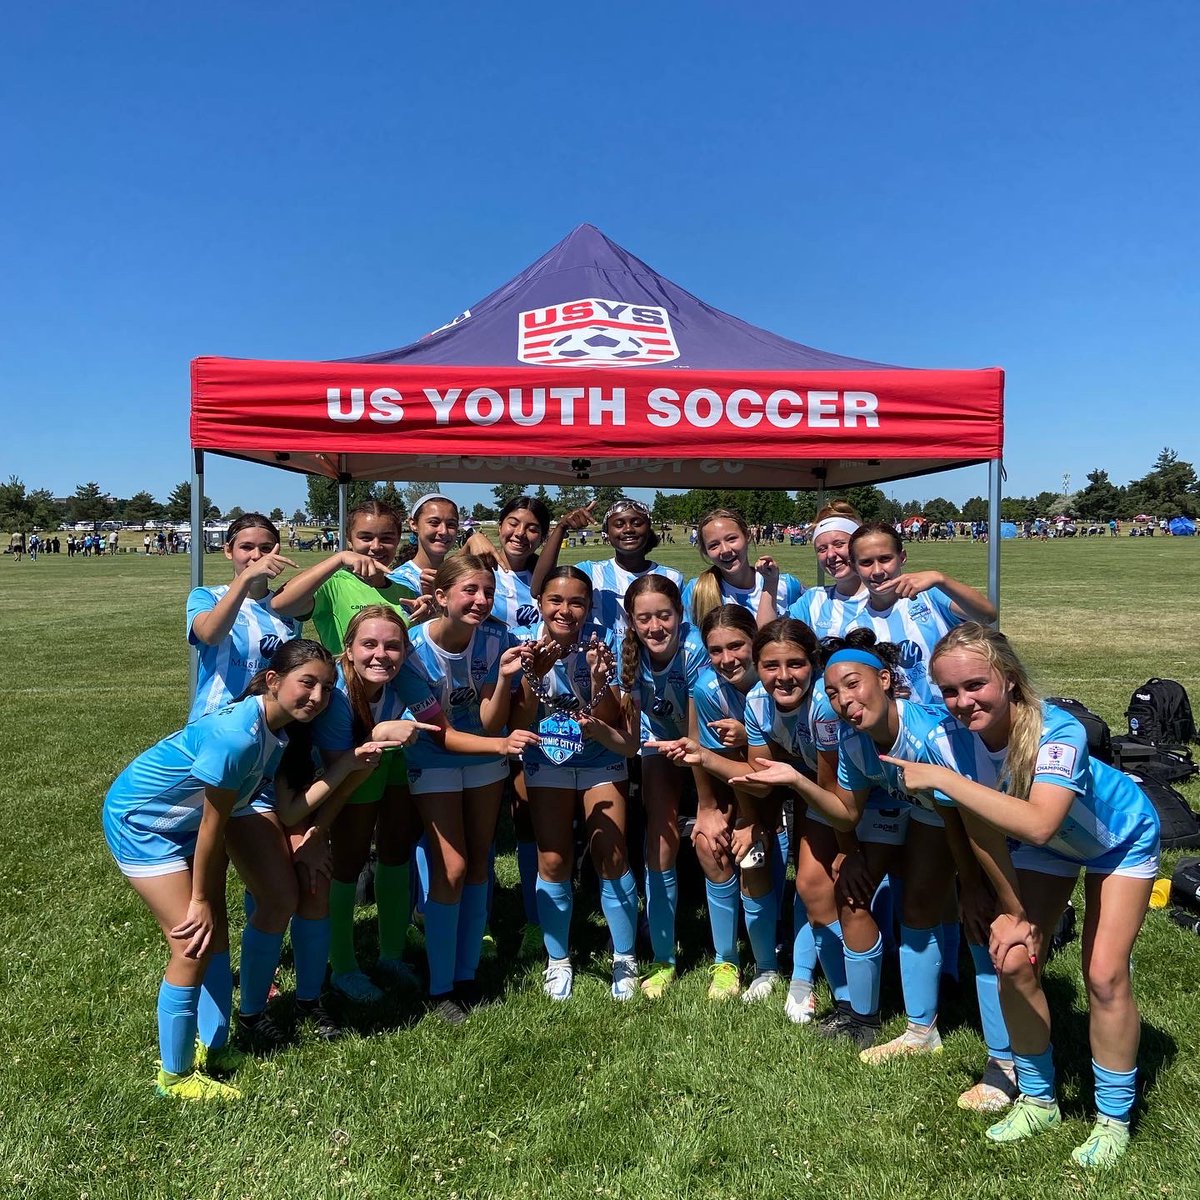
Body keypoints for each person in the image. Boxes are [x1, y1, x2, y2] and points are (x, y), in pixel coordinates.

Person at [884, 623, 1161, 1169]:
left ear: (1008, 680)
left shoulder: (1058, 730)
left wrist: (946, 780)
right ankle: (1038, 1098)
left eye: (975, 685)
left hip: (1118, 839)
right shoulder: (947, 739)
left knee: (1103, 972)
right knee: (1011, 956)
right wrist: (1013, 911)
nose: (962, 702)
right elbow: (985, 830)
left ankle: (1112, 1117)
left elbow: (1038, 823)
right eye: (949, 691)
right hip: (1049, 848)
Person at [732, 632, 1013, 1108]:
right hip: (917, 807)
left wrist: (970, 886)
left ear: (884, 680)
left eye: (854, 684)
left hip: (973, 816)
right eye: (835, 692)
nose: (844, 700)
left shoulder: (931, 736)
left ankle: (1006, 1058)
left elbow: (962, 819)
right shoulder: (853, 741)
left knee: (979, 919)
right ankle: (899, 1027)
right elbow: (845, 812)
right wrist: (801, 786)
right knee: (867, 893)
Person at [101, 640, 336, 1101]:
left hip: (178, 821)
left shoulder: (275, 732)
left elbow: (230, 815)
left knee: (217, 938)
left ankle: (215, 1046)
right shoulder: (239, 738)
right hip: (143, 822)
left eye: (327, 688)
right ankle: (175, 1076)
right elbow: (213, 827)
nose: (317, 697)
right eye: (306, 682)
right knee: (193, 941)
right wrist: (202, 899)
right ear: (273, 680)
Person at [403, 556, 536, 1022]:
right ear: (440, 597)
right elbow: (438, 732)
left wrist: (502, 679)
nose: (481, 601)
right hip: (432, 758)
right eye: (469, 591)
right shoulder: (413, 648)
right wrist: (499, 743)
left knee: (478, 861)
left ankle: (466, 974)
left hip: (482, 754)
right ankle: (439, 988)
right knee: (452, 867)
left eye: (487, 591)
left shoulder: (498, 639)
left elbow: (487, 720)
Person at [650, 605, 794, 1006]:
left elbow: (778, 761)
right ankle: (726, 960)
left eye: (736, 646)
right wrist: (710, 811)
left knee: (754, 856)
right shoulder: (708, 690)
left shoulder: (777, 683)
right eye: (715, 651)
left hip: (791, 786)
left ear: (755, 643)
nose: (727, 659)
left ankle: (767, 964)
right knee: (708, 844)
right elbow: (712, 762)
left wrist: (753, 822)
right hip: (743, 783)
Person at [512, 566, 640, 1001]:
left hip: (600, 757)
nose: (565, 610)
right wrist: (533, 677)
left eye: (577, 602)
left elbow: (615, 723)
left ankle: (624, 956)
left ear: (589, 607)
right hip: (546, 758)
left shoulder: (607, 647)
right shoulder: (523, 646)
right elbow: (515, 723)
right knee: (552, 859)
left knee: (612, 851)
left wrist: (601, 682)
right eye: (556, 601)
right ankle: (558, 959)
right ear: (540, 604)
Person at [311, 606, 449, 1003]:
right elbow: (341, 771)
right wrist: (378, 730)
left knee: (395, 851)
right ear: (348, 649)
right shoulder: (336, 693)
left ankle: (392, 954)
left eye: (392, 646)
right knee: (349, 861)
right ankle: (343, 967)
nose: (380, 655)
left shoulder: (403, 675)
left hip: (384, 757)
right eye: (368, 644)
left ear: (406, 651)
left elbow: (438, 724)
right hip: (343, 772)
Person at [461, 495, 555, 955]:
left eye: (533, 527)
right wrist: (468, 533)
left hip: (535, 704)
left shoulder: (548, 577)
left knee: (526, 811)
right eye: (512, 524)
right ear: (498, 526)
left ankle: (536, 917)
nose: (520, 533)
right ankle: (470, 916)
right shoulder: (480, 568)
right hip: (484, 702)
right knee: (478, 817)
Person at [617, 574, 709, 997]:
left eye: (665, 616)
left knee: (712, 830)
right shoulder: (628, 653)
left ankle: (731, 953)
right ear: (631, 621)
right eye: (645, 618)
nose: (656, 627)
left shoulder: (695, 649)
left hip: (705, 741)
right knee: (660, 832)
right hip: (659, 743)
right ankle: (662, 953)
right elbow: (634, 735)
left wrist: (706, 803)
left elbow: (695, 733)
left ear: (680, 614)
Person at [844, 522, 996, 705]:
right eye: (866, 562)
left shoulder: (930, 595)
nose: (877, 571)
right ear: (853, 566)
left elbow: (987, 615)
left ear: (902, 557)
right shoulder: (856, 627)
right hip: (907, 726)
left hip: (957, 714)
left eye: (885, 559)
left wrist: (941, 579)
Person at [187, 514, 301, 722]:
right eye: (246, 547)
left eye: (266, 548)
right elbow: (210, 635)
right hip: (215, 721)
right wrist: (247, 577)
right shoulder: (206, 596)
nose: (257, 556)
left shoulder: (286, 606)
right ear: (228, 551)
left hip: (270, 725)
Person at [271, 500, 422, 653]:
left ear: (397, 540)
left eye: (386, 538)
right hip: (344, 676)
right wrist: (339, 558)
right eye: (366, 538)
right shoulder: (333, 585)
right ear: (349, 540)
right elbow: (280, 604)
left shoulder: (405, 592)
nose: (376, 546)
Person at [531, 498, 684, 642]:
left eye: (637, 523)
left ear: (648, 528)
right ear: (607, 533)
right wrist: (561, 528)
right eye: (619, 524)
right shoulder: (591, 572)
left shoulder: (671, 577)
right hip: (597, 666)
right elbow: (538, 588)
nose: (628, 529)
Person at [681, 508, 804, 630]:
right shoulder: (696, 590)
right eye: (714, 545)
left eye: (731, 539)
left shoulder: (786, 585)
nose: (725, 550)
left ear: (748, 536)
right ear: (705, 551)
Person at [786, 503, 870, 640]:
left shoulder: (888, 596)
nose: (830, 554)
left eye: (839, 544)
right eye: (822, 549)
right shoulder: (812, 600)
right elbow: (776, 642)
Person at [388, 493, 461, 597]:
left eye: (451, 524)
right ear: (413, 524)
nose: (443, 531)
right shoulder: (398, 582)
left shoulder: (458, 576)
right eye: (434, 523)